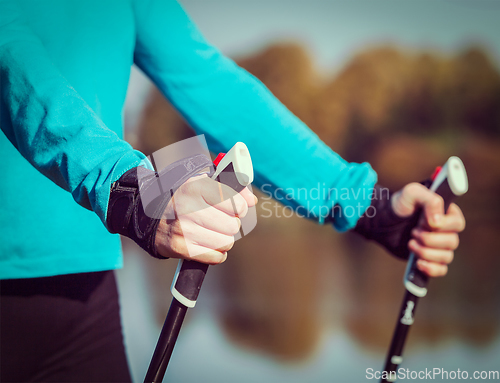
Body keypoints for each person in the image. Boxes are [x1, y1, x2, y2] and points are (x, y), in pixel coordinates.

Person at [0, 0, 465, 381]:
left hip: (84, 300)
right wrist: (131, 188)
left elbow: (213, 86)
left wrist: (365, 204)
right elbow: (11, 59)